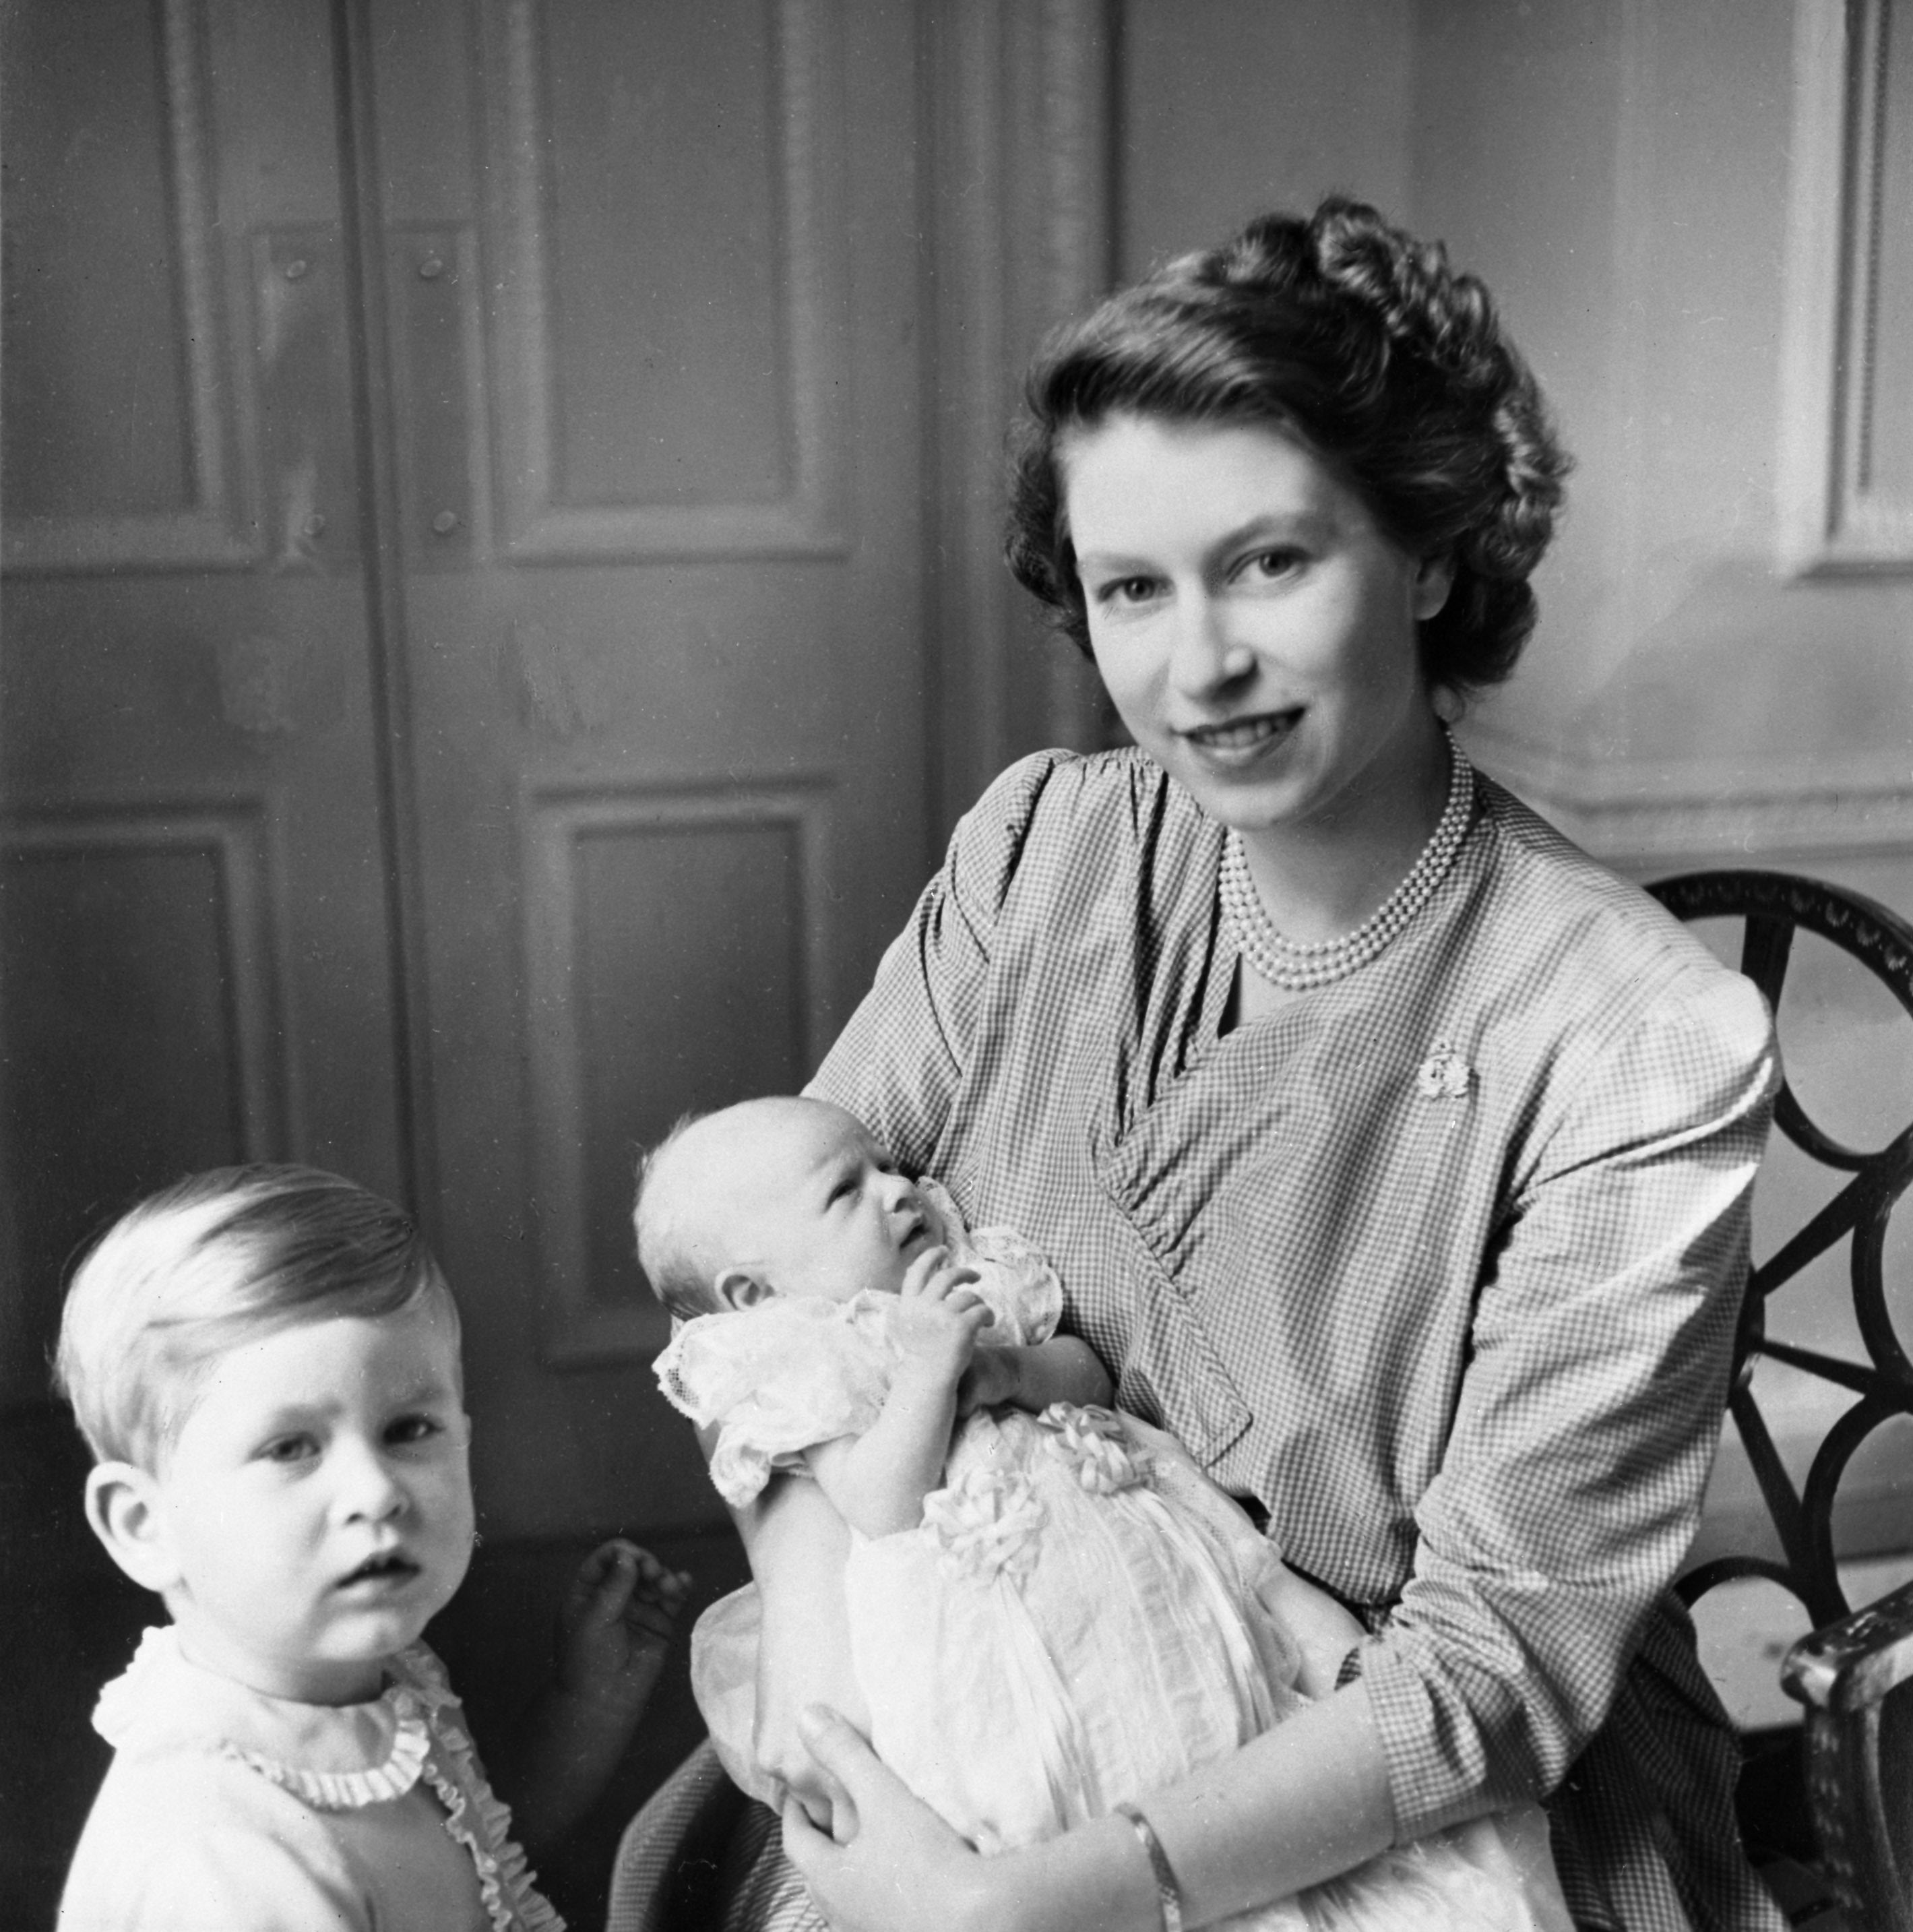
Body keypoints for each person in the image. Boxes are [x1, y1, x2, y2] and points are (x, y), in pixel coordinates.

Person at [720, 196, 1783, 1932]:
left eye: (1269, 561)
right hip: (988, 1696)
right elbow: (766, 1304)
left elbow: (1490, 1675)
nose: (1194, 663)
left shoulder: (1633, 1039)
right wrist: (838, 1692)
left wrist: (1037, 1901)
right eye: (1132, 587)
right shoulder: (1038, 851)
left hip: (1407, 1805)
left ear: (1431, 552)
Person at [640, 1094, 1572, 1931]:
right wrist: (925, 1373)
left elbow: (1084, 1373)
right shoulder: (812, 1357)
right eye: (848, 1189)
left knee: (1226, 1715)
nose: (899, 1187)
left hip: (1129, 1575)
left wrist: (1009, 1368)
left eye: (888, 1162)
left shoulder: (967, 1274)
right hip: (985, 1640)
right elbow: (880, 1503)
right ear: (753, 1296)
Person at [53, 1162, 691, 1931]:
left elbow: (469, 1863)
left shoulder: (355, 1681)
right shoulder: (224, 1863)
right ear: (144, 1524)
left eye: (408, 1429)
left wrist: (586, 1704)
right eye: (291, 1447)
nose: (376, 1490)